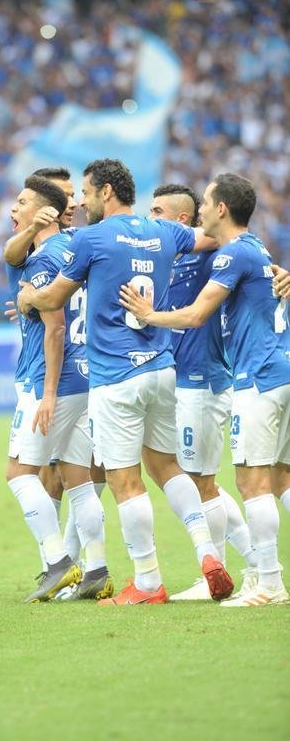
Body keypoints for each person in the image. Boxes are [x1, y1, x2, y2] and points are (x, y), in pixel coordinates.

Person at [18, 158, 234, 605]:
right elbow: (212, 236)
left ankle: (148, 581)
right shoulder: (164, 232)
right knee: (168, 467)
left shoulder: (92, 238)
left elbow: (54, 297)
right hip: (162, 367)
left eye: (88, 191)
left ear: (107, 192)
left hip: (116, 376)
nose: (83, 200)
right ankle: (208, 552)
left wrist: (26, 297)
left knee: (123, 480)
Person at [120, 172, 289, 606]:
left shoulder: (224, 253)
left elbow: (197, 314)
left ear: (215, 211)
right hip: (262, 375)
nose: (152, 220)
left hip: (236, 379)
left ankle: (263, 577)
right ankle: (257, 573)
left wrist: (148, 314)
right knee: (275, 480)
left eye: (160, 213)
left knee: (237, 482)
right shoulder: (248, 252)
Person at [149, 184, 258, 601]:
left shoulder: (212, 251)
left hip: (203, 381)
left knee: (200, 482)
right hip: (179, 381)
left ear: (181, 220)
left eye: (157, 211)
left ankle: (226, 570)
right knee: (199, 481)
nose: (149, 218)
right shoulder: (160, 259)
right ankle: (251, 563)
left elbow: (240, 244)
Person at [6, 174, 112, 602]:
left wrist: (48, 393)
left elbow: (55, 328)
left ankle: (57, 562)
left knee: (18, 473)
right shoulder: (80, 247)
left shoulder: (45, 260)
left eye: (21, 202)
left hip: (53, 380)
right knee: (77, 476)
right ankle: (98, 571)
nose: (13, 209)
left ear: (41, 211)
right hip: (89, 374)